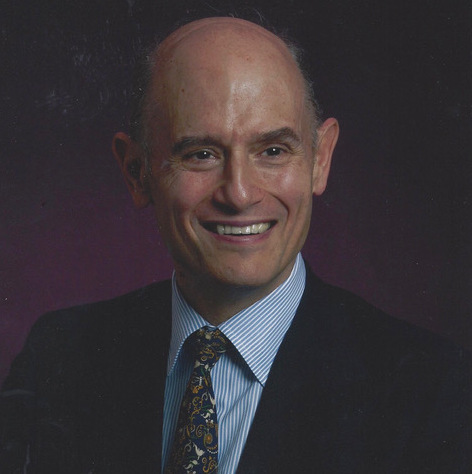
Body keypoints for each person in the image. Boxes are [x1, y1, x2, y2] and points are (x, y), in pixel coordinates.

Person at [1, 16, 470, 474]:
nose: (240, 194)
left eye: (273, 151)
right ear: (137, 172)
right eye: (201, 154)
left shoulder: (432, 390)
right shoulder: (59, 358)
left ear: (320, 160)